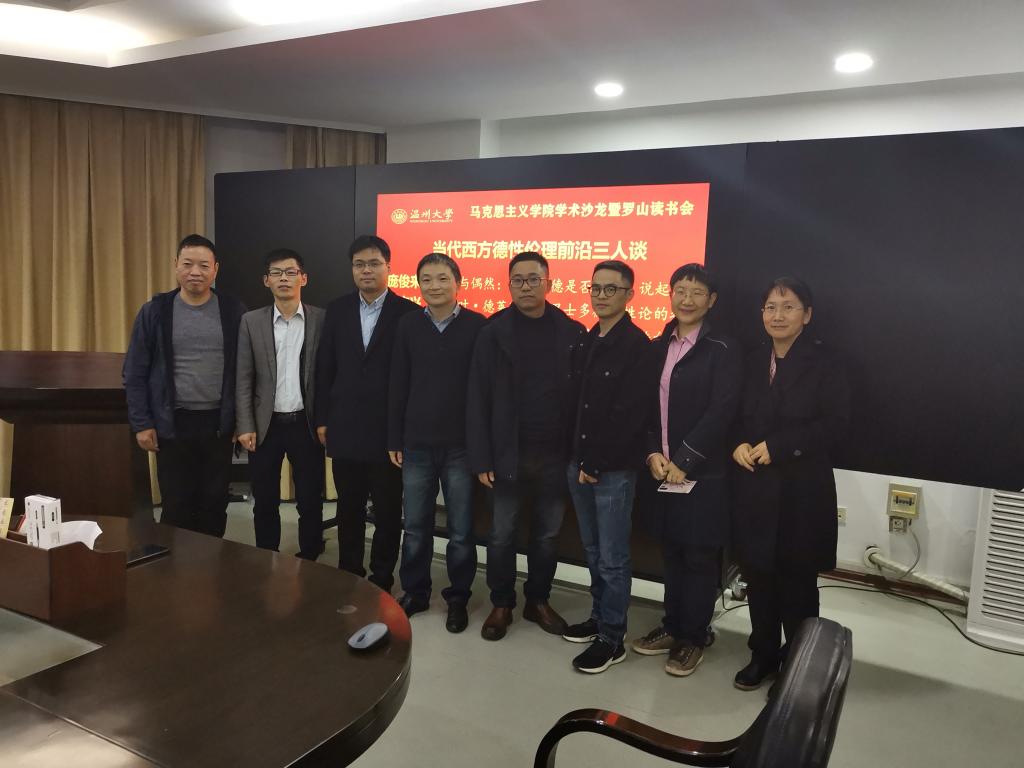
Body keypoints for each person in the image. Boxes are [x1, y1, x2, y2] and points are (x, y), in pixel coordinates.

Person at [730, 276, 850, 691]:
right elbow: (734, 415)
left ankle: (799, 665)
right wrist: (736, 444)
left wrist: (779, 447)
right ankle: (762, 655)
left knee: (798, 583)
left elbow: (836, 424)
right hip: (755, 488)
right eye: (770, 307)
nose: (777, 315)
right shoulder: (751, 359)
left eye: (788, 307)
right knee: (758, 576)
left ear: (807, 315)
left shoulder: (827, 362)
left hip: (802, 491)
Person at [466, 251, 586, 641]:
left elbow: (582, 400)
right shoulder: (492, 332)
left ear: (549, 284)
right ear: (508, 285)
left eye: (534, 279)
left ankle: (538, 601)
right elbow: (477, 398)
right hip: (507, 455)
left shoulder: (571, 332)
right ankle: (502, 603)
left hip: (554, 455)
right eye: (518, 280)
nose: (526, 287)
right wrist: (481, 457)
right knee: (501, 534)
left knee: (547, 536)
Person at [631, 263, 742, 677]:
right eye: (680, 290)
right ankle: (673, 625)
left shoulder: (723, 348)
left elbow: (722, 411)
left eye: (697, 292)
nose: (687, 299)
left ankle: (693, 637)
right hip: (663, 473)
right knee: (672, 552)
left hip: (702, 474)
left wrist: (686, 459)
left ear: (711, 301)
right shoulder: (658, 344)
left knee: (698, 557)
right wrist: (651, 454)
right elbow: (646, 409)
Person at [560, 261, 651, 673]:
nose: (601, 295)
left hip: (611, 470)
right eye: (595, 288)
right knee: (593, 550)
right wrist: (577, 458)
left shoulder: (637, 346)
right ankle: (598, 619)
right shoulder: (587, 339)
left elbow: (629, 416)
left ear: (629, 294)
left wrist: (594, 462)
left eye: (611, 289)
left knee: (613, 556)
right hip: (579, 464)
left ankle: (613, 638)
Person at [388, 253, 487, 632]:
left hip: (461, 447)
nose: (434, 286)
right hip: (416, 443)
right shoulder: (408, 325)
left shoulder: (477, 326)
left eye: (442, 278)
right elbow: (398, 383)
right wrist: (394, 437)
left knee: (461, 531)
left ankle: (458, 597)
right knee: (415, 527)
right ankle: (415, 592)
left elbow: (483, 392)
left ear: (457, 283)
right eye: (426, 279)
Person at [124, 233, 246, 536]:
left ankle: (212, 562)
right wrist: (142, 423)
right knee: (176, 502)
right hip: (172, 422)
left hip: (218, 423)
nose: (195, 272)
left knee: (214, 502)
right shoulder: (155, 311)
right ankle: (176, 563)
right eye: (188, 264)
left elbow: (246, 371)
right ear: (175, 265)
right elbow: (135, 372)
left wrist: (242, 421)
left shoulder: (233, 311)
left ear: (216, 269)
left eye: (204, 265)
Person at [315, 235, 419, 591]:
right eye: (359, 264)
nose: (366, 270)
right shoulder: (337, 309)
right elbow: (325, 367)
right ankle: (349, 572)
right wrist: (322, 417)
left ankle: (381, 577)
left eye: (374, 263)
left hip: (387, 432)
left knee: (388, 510)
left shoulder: (407, 313)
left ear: (389, 267)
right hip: (344, 425)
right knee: (349, 506)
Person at [235, 248, 326, 560]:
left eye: (290, 272)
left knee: (310, 497)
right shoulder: (251, 322)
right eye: (276, 273)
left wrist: (325, 420)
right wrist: (245, 425)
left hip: (305, 422)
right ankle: (266, 554)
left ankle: (310, 554)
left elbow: (327, 376)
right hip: (266, 425)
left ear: (303, 278)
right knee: (265, 498)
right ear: (266, 280)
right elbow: (243, 377)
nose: (284, 278)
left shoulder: (321, 319)